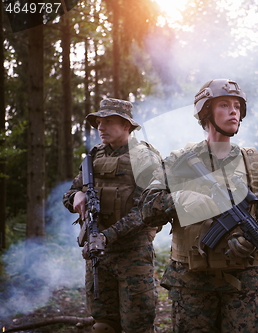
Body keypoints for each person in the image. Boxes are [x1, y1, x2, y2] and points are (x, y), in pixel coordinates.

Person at [139, 79, 258, 333]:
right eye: (224, 105)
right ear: (206, 112)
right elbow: (148, 207)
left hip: (243, 284)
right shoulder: (178, 161)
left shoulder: (252, 164)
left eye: (237, 106)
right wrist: (186, 201)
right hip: (192, 284)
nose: (233, 111)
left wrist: (253, 240)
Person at [62, 98, 163, 333]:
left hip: (133, 255)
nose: (100, 127)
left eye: (108, 121)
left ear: (126, 125)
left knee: (137, 325)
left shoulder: (145, 158)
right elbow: (70, 193)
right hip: (99, 256)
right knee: (103, 324)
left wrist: (107, 236)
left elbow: (148, 211)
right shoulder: (94, 156)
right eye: (99, 121)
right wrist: (76, 197)